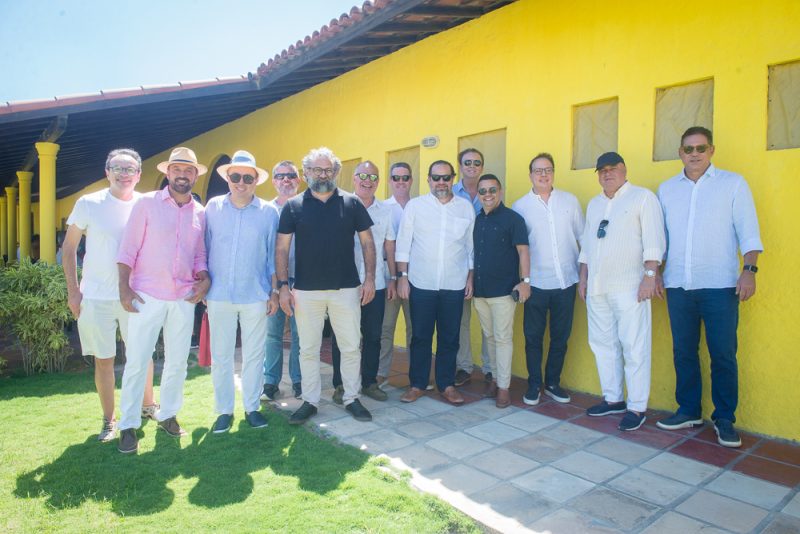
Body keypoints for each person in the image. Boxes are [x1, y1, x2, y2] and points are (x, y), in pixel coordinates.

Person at [655, 126, 763, 448]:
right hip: (678, 285)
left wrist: (750, 270)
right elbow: (661, 238)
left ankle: (725, 418)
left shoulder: (733, 184)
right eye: (688, 149)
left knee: (723, 354)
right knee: (683, 352)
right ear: (680, 153)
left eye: (701, 148)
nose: (695, 154)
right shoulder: (667, 189)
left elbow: (749, 232)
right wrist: (656, 272)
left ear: (711, 150)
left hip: (720, 286)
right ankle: (688, 409)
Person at [116, 147, 210, 453]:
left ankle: (168, 414)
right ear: (168, 173)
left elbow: (199, 255)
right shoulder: (145, 203)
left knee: (178, 362)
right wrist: (124, 288)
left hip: (183, 298)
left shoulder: (200, 212)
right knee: (137, 361)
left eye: (188, 170)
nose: (182, 175)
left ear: (195, 175)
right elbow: (127, 249)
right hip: (146, 295)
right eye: (177, 169)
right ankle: (128, 424)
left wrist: (205, 277)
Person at [62, 148, 157, 443]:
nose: (123, 173)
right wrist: (74, 292)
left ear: (139, 174)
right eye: (117, 167)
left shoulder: (147, 203)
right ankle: (109, 420)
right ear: (107, 171)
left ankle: (148, 406)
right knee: (104, 360)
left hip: (136, 294)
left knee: (142, 355)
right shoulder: (89, 203)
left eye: (130, 169)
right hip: (95, 297)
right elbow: (68, 250)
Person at [276, 147, 376, 425]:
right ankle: (310, 401)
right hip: (306, 291)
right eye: (317, 170)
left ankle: (352, 398)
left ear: (336, 172)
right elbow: (282, 248)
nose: (323, 174)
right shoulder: (293, 205)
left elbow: (368, 242)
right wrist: (283, 286)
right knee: (307, 349)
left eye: (328, 170)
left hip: (346, 289)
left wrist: (369, 279)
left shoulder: (352, 202)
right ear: (306, 172)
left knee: (351, 346)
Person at [578, 152, 666, 432]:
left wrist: (649, 277)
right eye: (601, 170)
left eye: (612, 168)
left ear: (624, 169)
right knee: (602, 344)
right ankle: (613, 398)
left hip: (630, 286)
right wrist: (583, 278)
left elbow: (654, 240)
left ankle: (637, 406)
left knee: (634, 346)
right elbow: (587, 246)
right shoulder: (594, 204)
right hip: (598, 287)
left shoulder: (643, 197)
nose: (607, 174)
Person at [205, 150, 279, 433]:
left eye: (247, 177)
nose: (241, 182)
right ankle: (224, 410)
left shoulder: (268, 212)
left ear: (255, 181)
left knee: (254, 355)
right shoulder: (212, 208)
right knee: (221, 355)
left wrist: (273, 292)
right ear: (228, 179)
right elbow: (204, 248)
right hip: (219, 294)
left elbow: (273, 255)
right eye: (235, 176)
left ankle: (252, 407)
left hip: (255, 293)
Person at [396, 160, 475, 405]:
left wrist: (470, 278)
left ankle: (447, 384)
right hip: (421, 283)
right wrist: (403, 278)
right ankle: (418, 384)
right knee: (420, 336)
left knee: (450, 337)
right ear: (429, 180)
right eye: (436, 178)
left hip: (454, 283)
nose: (441, 182)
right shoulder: (415, 206)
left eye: (446, 178)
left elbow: (470, 248)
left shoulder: (465, 208)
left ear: (452, 179)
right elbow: (403, 244)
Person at [512, 153, 585, 405]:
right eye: (538, 170)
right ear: (530, 175)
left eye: (548, 170)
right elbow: (518, 249)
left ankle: (553, 382)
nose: (543, 175)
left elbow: (583, 238)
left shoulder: (569, 201)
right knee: (533, 336)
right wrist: (523, 280)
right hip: (536, 283)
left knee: (560, 336)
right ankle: (534, 384)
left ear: (553, 173)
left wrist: (585, 275)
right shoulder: (520, 207)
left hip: (566, 280)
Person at [330, 161, 396, 404]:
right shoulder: (341, 206)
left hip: (376, 284)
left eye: (373, 177)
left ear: (378, 182)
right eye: (363, 176)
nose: (368, 181)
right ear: (354, 179)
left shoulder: (386, 211)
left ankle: (369, 382)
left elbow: (389, 246)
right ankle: (340, 385)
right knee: (342, 337)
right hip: (345, 284)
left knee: (373, 336)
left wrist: (393, 278)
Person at [472, 174, 529, 408]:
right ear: (479, 194)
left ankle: (504, 388)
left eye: (492, 190)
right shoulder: (476, 220)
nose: (488, 195)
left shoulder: (513, 219)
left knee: (503, 339)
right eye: (483, 191)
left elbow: (523, 251)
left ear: (500, 191)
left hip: (504, 291)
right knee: (491, 338)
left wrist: (525, 281)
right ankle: (495, 379)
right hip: (480, 291)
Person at [262, 160, 302, 401]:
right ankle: (270, 383)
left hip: (302, 281)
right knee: (273, 334)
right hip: (273, 283)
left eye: (290, 176)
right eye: (280, 176)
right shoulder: (266, 211)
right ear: (274, 181)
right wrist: (274, 287)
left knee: (300, 336)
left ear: (298, 180)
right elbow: (265, 250)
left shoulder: (307, 207)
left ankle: (299, 381)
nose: (286, 180)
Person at [453, 148, 491, 386]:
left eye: (477, 162)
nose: (472, 166)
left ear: (482, 167)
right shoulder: (450, 192)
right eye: (467, 162)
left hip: (486, 265)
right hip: (458, 267)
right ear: (460, 165)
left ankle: (490, 368)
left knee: (489, 319)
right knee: (461, 321)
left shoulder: (489, 191)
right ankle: (464, 367)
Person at [377, 162, 413, 385]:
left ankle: (416, 375)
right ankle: (381, 372)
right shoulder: (382, 208)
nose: (401, 182)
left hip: (413, 277)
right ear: (390, 181)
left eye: (405, 178)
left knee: (415, 330)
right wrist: (394, 277)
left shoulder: (419, 206)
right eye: (396, 178)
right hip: (389, 277)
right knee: (386, 328)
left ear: (411, 180)